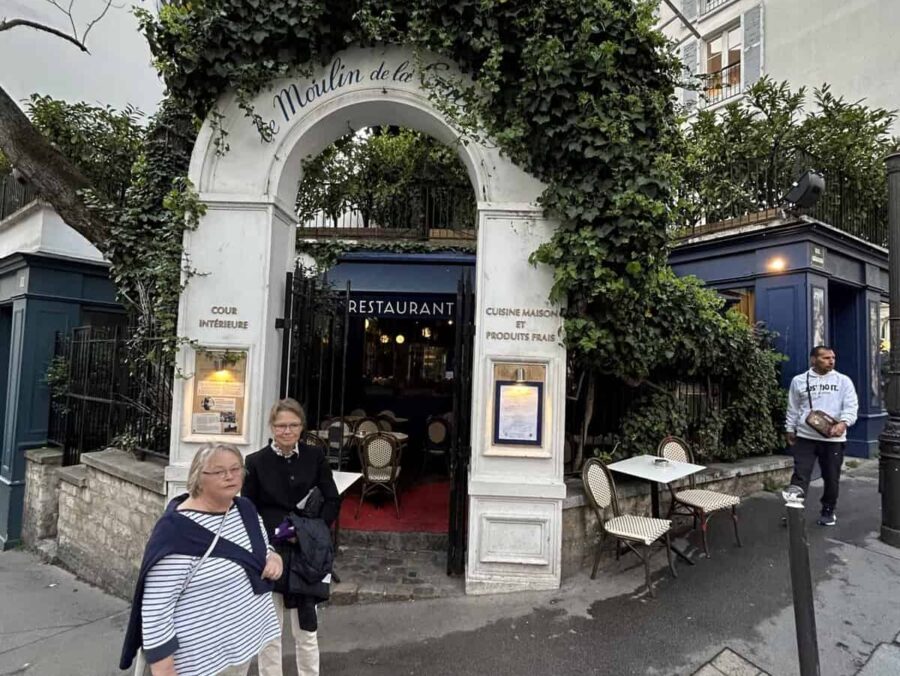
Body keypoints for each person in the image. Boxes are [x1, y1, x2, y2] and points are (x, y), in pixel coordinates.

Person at [120, 443, 283, 676]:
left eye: (236, 469)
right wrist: (164, 670)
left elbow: (260, 547)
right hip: (200, 662)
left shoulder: (244, 509)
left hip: (243, 646)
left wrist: (274, 557)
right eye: (219, 471)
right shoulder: (176, 532)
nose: (230, 477)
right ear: (198, 477)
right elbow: (157, 609)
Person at [244, 398, 340, 676]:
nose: (287, 431)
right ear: (272, 427)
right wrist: (265, 543)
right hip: (271, 551)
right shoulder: (256, 462)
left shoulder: (315, 457)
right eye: (281, 425)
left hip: (305, 554)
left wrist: (312, 534)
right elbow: (248, 510)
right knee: (270, 630)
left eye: (293, 425)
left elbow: (332, 500)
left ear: (302, 427)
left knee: (306, 630)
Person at [785, 345, 859, 526]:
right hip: (805, 436)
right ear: (813, 360)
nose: (831, 361)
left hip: (833, 439)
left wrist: (843, 423)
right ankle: (794, 512)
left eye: (833, 357)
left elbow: (851, 406)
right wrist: (789, 429)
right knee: (800, 475)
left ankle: (828, 510)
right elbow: (793, 407)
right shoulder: (799, 381)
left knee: (831, 476)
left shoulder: (843, 381)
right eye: (826, 358)